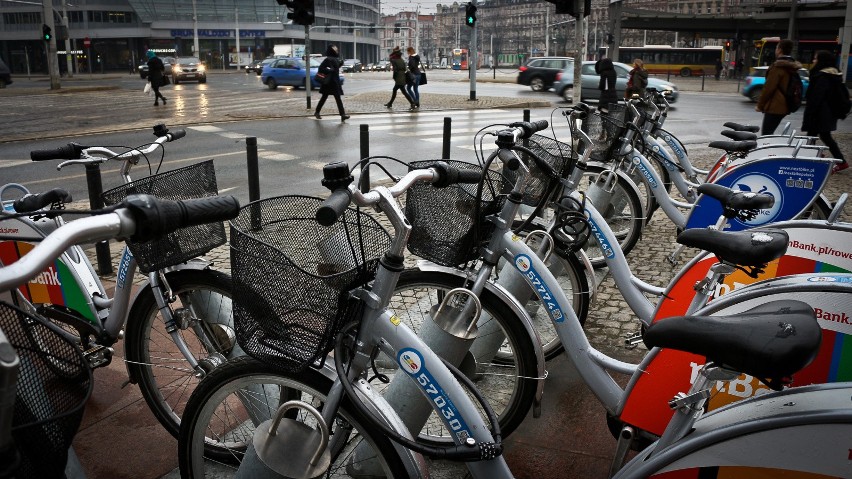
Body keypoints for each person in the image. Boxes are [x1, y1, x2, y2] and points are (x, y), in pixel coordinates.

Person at [801, 50, 848, 173]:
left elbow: (817, 96)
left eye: (815, 58)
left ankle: (839, 161)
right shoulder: (833, 75)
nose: (813, 61)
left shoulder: (822, 76)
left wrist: (810, 113)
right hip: (826, 113)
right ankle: (815, 156)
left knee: (818, 136)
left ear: (821, 61)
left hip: (821, 113)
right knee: (818, 136)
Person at [755, 38, 801, 135]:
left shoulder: (777, 67)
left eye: (776, 48)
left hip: (775, 106)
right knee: (769, 133)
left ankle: (770, 150)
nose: (776, 50)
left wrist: (760, 105)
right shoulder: (791, 66)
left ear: (779, 49)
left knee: (766, 135)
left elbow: (768, 88)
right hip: (785, 105)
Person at [314, 45, 350, 122]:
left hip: (334, 81)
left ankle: (342, 115)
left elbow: (336, 68)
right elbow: (321, 68)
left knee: (337, 98)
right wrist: (330, 70)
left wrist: (340, 64)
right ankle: (317, 112)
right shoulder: (328, 59)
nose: (336, 51)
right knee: (325, 98)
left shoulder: (335, 59)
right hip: (329, 82)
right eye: (335, 50)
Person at [385, 46, 416, 111]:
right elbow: (405, 68)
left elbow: (394, 68)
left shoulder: (394, 60)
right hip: (402, 76)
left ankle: (412, 103)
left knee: (399, 91)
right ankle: (390, 103)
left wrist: (394, 77)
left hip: (399, 77)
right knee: (400, 91)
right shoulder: (401, 60)